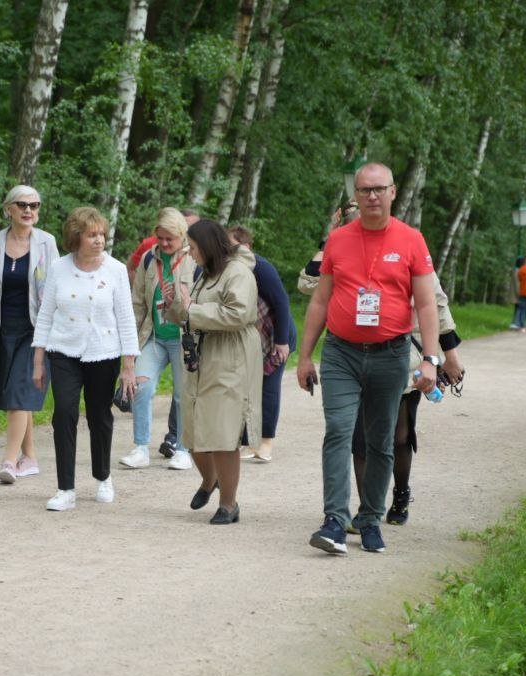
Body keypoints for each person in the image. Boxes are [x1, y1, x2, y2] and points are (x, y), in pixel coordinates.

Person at [296, 162, 440, 555]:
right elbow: (321, 300)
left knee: (380, 441)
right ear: (355, 197)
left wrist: (430, 359)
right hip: (341, 352)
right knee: (339, 431)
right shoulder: (338, 240)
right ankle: (334, 521)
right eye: (364, 191)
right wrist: (305, 356)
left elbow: (427, 305)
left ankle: (371, 518)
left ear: (393, 193)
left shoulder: (412, 240)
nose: (372, 196)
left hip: (391, 354)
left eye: (379, 189)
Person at [31, 207, 139, 511]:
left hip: (103, 354)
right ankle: (65, 488)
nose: (99, 240)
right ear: (76, 237)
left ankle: (103, 477)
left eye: (102, 234)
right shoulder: (58, 268)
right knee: (64, 413)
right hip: (63, 351)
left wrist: (128, 366)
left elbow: (126, 320)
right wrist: (39, 361)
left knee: (99, 416)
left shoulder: (116, 270)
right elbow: (45, 315)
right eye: (92, 235)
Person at [163, 219, 262, 525]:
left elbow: (239, 313)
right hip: (200, 359)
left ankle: (229, 504)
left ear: (206, 246)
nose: (190, 254)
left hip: (230, 359)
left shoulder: (238, 273)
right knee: (192, 431)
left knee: (222, 434)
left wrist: (191, 309)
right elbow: (190, 313)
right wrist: (173, 304)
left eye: (192, 248)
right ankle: (209, 480)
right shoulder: (204, 275)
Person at [0, 185, 60, 484]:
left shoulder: (47, 242)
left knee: (19, 393)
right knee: (18, 395)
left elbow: (58, 287)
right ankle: (29, 458)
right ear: (8, 209)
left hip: (36, 330)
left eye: (34, 205)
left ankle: (8, 460)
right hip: (0, 330)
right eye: (22, 205)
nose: (29, 210)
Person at [350, 278, 463, 528]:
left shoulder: (411, 250)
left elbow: (438, 306)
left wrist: (450, 356)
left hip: (403, 356)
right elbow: (311, 284)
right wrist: (325, 247)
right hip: (356, 351)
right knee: (361, 436)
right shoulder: (349, 245)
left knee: (399, 436)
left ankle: (401, 493)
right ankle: (368, 509)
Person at [118, 208, 197, 472]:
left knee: (181, 394)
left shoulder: (194, 259)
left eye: (169, 239)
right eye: (160, 237)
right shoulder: (149, 260)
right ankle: (141, 447)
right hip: (153, 336)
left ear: (182, 236)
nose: (164, 244)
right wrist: (130, 341)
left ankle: (183, 449)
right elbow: (138, 301)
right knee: (139, 388)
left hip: (183, 338)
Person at [227, 225, 296, 463]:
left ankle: (266, 443)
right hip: (253, 338)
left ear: (246, 246)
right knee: (248, 389)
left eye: (234, 245)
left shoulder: (261, 267)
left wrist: (282, 342)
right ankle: (249, 441)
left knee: (268, 388)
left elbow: (282, 302)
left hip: (277, 335)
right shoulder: (229, 269)